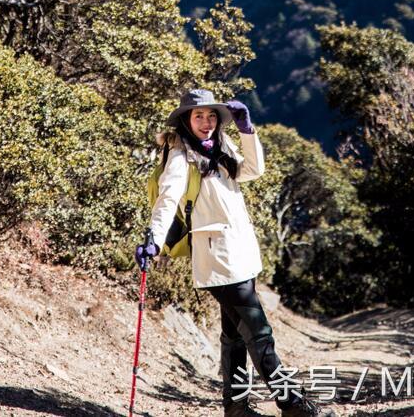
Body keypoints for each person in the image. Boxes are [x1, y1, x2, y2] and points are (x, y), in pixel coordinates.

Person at [135, 88, 322, 417]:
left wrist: (247, 131)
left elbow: (253, 171)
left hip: (239, 253)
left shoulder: (221, 146)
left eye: (211, 116)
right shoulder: (180, 155)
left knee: (235, 335)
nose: (206, 122)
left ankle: (236, 409)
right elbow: (167, 200)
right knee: (259, 331)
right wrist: (153, 238)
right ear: (185, 120)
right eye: (198, 116)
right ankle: (292, 403)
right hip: (217, 259)